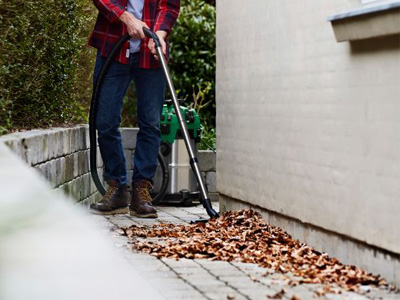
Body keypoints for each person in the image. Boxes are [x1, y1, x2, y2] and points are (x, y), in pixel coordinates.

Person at [88, 0, 180, 218]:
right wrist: (126, 18)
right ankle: (117, 188)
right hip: (114, 46)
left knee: (150, 122)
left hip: (151, 51)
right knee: (105, 120)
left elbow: (169, 5)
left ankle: (141, 190)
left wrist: (159, 34)